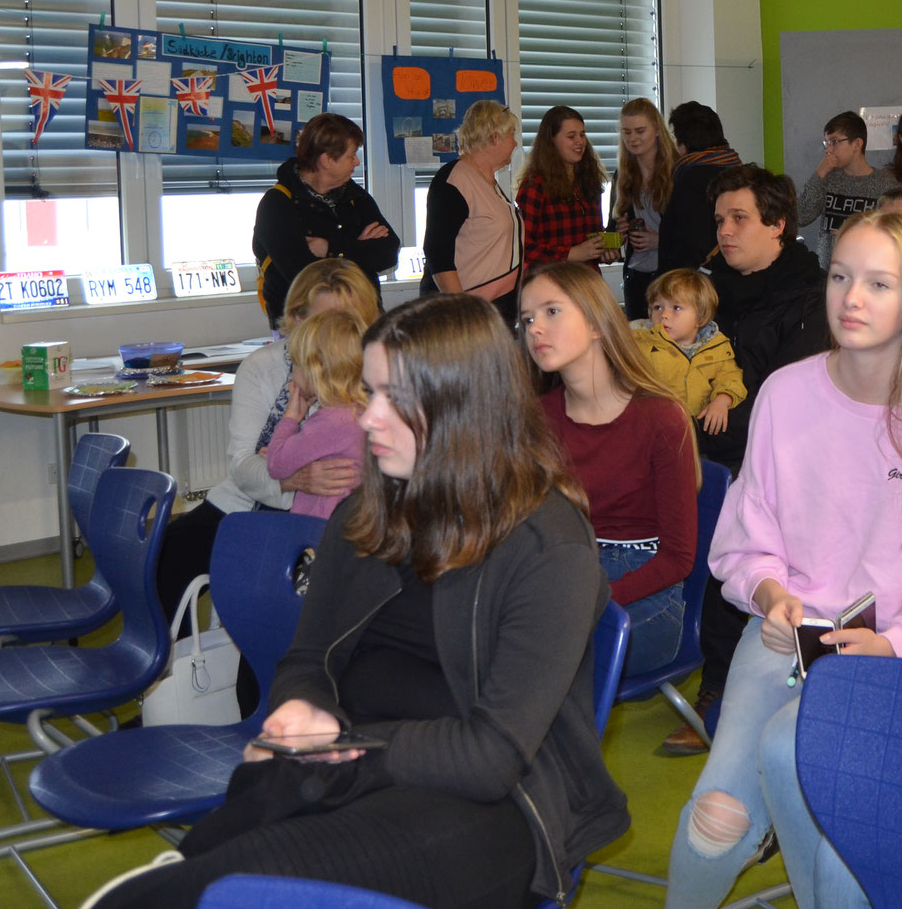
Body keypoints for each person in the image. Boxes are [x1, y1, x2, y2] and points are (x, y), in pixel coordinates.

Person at [91, 294, 628, 909]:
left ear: (463, 407)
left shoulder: (546, 546)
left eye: (391, 398)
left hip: (497, 808)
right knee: (198, 870)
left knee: (231, 882)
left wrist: (346, 750)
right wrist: (307, 709)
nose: (367, 417)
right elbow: (307, 657)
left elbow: (491, 757)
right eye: (369, 392)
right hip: (351, 762)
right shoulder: (367, 513)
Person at [664, 208, 902, 909]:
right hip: (785, 640)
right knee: (715, 821)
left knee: (812, 774)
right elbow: (746, 535)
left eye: (880, 284)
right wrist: (766, 591)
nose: (851, 299)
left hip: (898, 657)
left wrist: (895, 642)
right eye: (842, 276)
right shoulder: (786, 393)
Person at [155, 258, 383, 717]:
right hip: (254, 499)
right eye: (322, 320)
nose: (335, 332)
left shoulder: (376, 366)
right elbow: (244, 466)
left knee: (275, 597)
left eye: (348, 321)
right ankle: (174, 689)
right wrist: (292, 479)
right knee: (173, 550)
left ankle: (255, 695)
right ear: (296, 318)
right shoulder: (264, 367)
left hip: (325, 514)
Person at [662, 164, 830, 756]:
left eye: (739, 219)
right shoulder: (705, 293)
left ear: (778, 226)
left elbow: (781, 401)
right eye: (719, 220)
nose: (725, 232)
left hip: (767, 462)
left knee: (730, 568)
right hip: (696, 450)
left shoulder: (810, 298)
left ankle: (718, 699)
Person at [523, 263, 700, 676]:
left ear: (597, 323)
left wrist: (592, 597)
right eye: (527, 318)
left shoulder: (661, 417)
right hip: (570, 572)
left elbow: (677, 559)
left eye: (551, 312)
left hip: (644, 590)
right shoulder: (537, 418)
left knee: (540, 660)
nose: (534, 328)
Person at [252, 114, 400, 327]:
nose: (357, 162)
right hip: (304, 334)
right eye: (351, 155)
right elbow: (305, 276)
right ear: (326, 160)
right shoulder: (277, 205)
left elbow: (387, 252)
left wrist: (331, 247)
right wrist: (360, 247)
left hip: (362, 323)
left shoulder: (355, 196)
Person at [421, 100, 524, 322]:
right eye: (511, 135)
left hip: (492, 311)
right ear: (495, 137)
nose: (515, 143)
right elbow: (437, 252)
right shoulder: (454, 180)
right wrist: (461, 311)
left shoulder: (488, 182)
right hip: (462, 316)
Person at [264, 309, 370, 521]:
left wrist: (290, 420)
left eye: (296, 364)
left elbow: (276, 465)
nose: (293, 373)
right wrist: (286, 449)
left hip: (318, 532)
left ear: (315, 371)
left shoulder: (331, 421)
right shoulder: (361, 411)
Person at [635, 268, 748, 437]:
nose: (664, 315)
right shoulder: (639, 344)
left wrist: (722, 399)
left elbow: (730, 376)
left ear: (701, 317)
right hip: (651, 432)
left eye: (677, 308)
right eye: (658, 307)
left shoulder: (717, 346)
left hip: (697, 432)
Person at [516, 105, 613, 274]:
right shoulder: (535, 185)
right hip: (552, 281)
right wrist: (569, 254)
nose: (580, 141)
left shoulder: (589, 180)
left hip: (588, 281)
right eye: (571, 136)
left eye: (582, 134)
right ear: (551, 141)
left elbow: (591, 235)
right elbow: (522, 246)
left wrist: (605, 249)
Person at [796, 111, 896, 269]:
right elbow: (801, 216)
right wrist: (819, 174)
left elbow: (894, 235)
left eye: (835, 142)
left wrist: (855, 232)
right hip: (828, 273)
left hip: (868, 271)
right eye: (827, 143)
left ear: (857, 144)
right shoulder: (827, 178)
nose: (829, 149)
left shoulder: (885, 185)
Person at [659, 101, 742, 273]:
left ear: (684, 145)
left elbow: (683, 241)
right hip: (734, 276)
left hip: (695, 280)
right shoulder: (739, 169)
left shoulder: (690, 177)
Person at [613, 98, 677, 319]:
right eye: (627, 132)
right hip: (636, 277)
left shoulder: (678, 172)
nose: (633, 138)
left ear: (657, 130)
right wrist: (615, 235)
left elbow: (695, 234)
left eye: (640, 131)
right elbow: (611, 234)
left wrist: (661, 240)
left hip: (671, 277)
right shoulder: (622, 175)